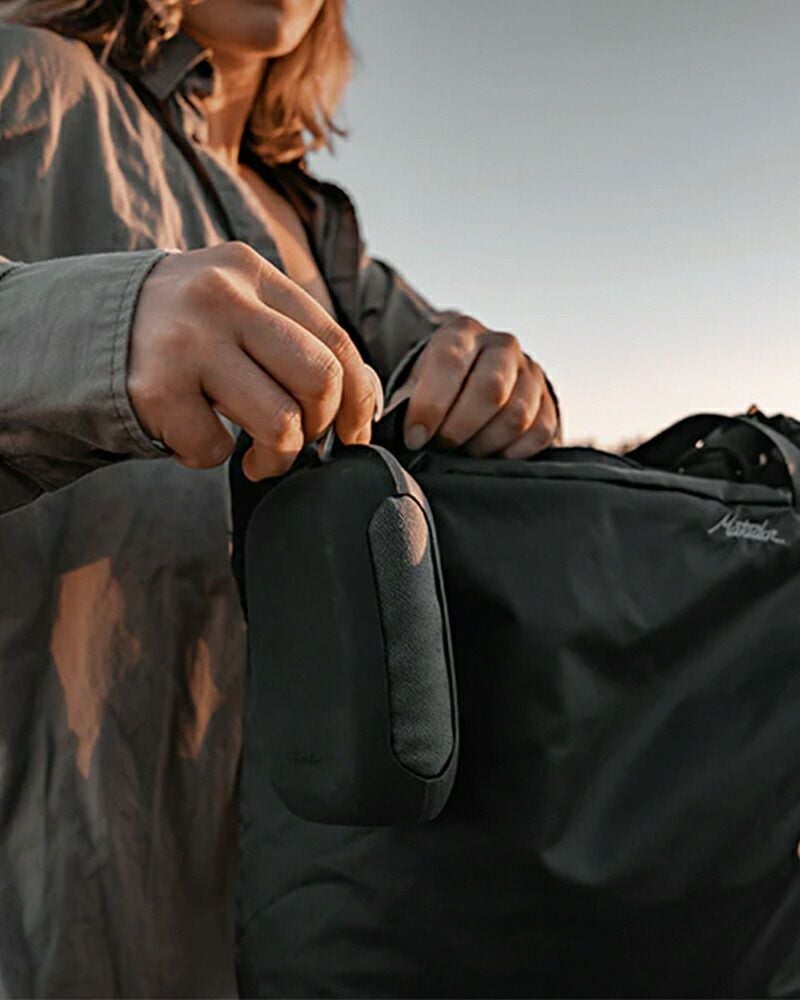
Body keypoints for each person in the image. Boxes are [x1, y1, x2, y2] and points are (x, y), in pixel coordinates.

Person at [0, 0, 562, 994]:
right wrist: (104, 330)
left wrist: (510, 391)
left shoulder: (321, 239)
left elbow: (480, 396)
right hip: (49, 919)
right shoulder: (24, 82)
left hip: (308, 919)